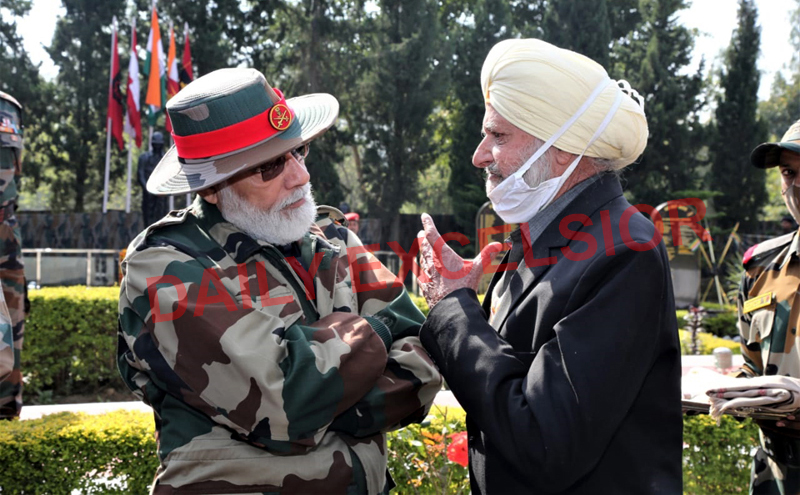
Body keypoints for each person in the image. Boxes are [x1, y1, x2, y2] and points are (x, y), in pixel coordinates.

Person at [117, 67, 441, 494]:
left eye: (299, 151)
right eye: (270, 166)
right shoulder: (164, 265)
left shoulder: (333, 238)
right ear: (213, 187)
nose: (300, 177)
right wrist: (376, 335)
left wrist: (324, 401)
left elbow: (422, 367)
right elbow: (285, 406)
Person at [416, 38, 682, 493]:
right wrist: (466, 305)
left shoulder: (624, 251)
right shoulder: (542, 234)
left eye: (498, 136)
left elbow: (543, 438)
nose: (480, 155)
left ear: (562, 148)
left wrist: (454, 311)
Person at [736, 118, 800, 494]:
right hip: (775, 475)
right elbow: (751, 362)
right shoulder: (760, 266)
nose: (796, 186)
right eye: (788, 173)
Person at [0, 90, 26, 420]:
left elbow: (15, 174)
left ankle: (7, 414)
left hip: (7, 232)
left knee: (13, 325)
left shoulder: (10, 107)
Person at [137, 131, 169, 226]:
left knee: (161, 215)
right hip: (148, 194)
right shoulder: (144, 158)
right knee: (148, 216)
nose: (158, 147)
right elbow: (140, 174)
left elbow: (169, 175)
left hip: (161, 193)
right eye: (156, 145)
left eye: (159, 145)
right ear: (152, 144)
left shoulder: (166, 159)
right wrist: (147, 189)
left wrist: (164, 189)